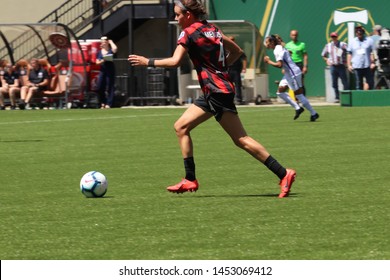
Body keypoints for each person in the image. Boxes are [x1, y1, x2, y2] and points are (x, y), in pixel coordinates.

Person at [128, 0, 296, 198]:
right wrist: (221, 70)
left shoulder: (188, 33)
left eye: (177, 15)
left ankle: (284, 173)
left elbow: (175, 62)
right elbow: (237, 51)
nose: (176, 18)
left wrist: (147, 61)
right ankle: (190, 178)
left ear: (188, 15)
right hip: (216, 90)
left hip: (216, 92)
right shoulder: (212, 29)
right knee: (181, 127)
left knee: (241, 139)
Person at [264, 34, 319, 121]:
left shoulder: (277, 49)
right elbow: (289, 53)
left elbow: (279, 65)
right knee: (280, 92)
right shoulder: (279, 48)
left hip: (293, 74)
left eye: (267, 42)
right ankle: (298, 108)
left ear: (272, 42)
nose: (266, 44)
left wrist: (268, 61)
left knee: (299, 95)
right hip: (288, 74)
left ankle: (314, 113)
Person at [321, 32, 349, 102]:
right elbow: (323, 54)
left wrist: (347, 61)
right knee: (334, 83)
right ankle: (337, 97)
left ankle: (346, 97)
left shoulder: (342, 44)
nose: (334, 38)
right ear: (331, 37)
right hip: (333, 66)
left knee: (344, 82)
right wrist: (327, 60)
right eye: (332, 37)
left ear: (337, 37)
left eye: (335, 37)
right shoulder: (328, 45)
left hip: (341, 65)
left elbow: (349, 51)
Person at [347, 26, 376, 90]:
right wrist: (349, 65)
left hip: (367, 66)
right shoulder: (352, 42)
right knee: (358, 83)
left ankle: (369, 97)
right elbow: (349, 54)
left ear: (363, 32)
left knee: (370, 82)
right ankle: (359, 99)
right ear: (356, 33)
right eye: (357, 32)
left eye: (361, 32)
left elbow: (372, 52)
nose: (359, 33)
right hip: (357, 66)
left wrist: (373, 62)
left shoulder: (369, 41)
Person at [96, 36, 117, 108]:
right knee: (99, 86)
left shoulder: (110, 50)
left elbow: (115, 49)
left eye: (104, 41)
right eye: (101, 42)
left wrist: (111, 42)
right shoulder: (99, 52)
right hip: (103, 70)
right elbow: (97, 62)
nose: (102, 43)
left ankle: (109, 103)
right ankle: (103, 101)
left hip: (110, 69)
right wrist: (103, 60)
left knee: (110, 86)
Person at [285, 29, 308, 96]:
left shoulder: (302, 44)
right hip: (290, 65)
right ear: (290, 36)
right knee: (291, 82)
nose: (294, 36)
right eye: (292, 35)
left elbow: (305, 56)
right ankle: (295, 98)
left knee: (301, 82)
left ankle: (303, 97)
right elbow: (285, 57)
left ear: (297, 35)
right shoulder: (287, 45)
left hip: (299, 64)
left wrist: (305, 66)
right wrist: (284, 68)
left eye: (295, 35)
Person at [227, 36, 247, 104]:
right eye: (230, 40)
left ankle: (238, 99)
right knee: (228, 85)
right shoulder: (225, 49)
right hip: (228, 70)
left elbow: (244, 58)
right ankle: (229, 99)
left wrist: (244, 68)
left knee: (238, 85)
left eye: (232, 40)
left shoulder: (237, 48)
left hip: (236, 70)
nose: (231, 41)